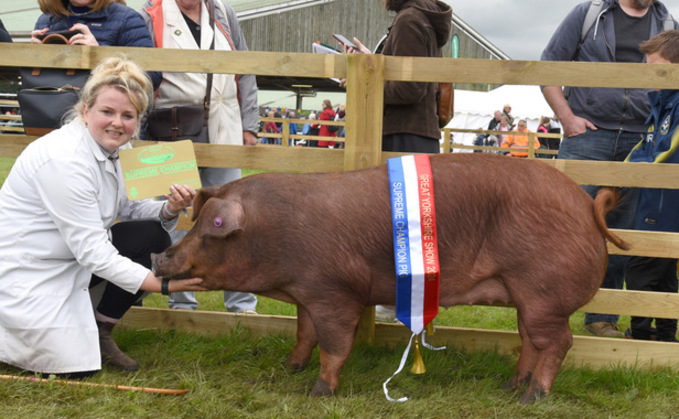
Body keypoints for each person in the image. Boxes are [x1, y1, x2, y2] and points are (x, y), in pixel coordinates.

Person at [0, 56, 205, 377]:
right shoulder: (64, 160)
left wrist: (170, 209)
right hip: (31, 271)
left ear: (137, 120)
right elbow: (93, 252)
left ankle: (99, 331)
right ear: (85, 111)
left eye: (128, 115)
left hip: (72, 261)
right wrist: (162, 284)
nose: (117, 123)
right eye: (107, 112)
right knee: (72, 371)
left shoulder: (118, 149)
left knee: (152, 237)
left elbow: (130, 208)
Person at [540, 0, 678, 337]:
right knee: (568, 224)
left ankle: (603, 318)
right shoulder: (588, 15)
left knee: (624, 234)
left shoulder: (667, 22)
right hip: (589, 134)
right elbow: (547, 65)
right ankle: (546, 311)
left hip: (643, 138)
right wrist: (566, 118)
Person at [141, 0, 259, 314]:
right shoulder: (150, 14)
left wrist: (250, 125)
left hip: (225, 126)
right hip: (170, 130)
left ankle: (241, 303)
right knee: (174, 216)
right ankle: (179, 300)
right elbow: (141, 74)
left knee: (234, 217)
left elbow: (244, 70)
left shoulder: (223, 13)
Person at [624, 30, 679, 342]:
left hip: (666, 205)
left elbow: (666, 149)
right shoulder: (660, 104)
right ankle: (667, 334)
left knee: (643, 267)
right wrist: (617, 173)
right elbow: (644, 145)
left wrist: (630, 173)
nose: (648, 72)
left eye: (654, 65)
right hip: (653, 200)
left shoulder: (677, 105)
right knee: (662, 271)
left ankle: (642, 334)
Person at [344, 0, 452, 153]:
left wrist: (363, 83)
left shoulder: (409, 20)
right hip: (415, 134)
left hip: (404, 136)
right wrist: (372, 61)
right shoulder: (420, 17)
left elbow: (410, 88)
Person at [32, 0, 161, 89]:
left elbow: (151, 78)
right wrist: (33, 56)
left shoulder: (127, 18)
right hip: (54, 116)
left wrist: (100, 56)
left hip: (109, 119)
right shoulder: (46, 20)